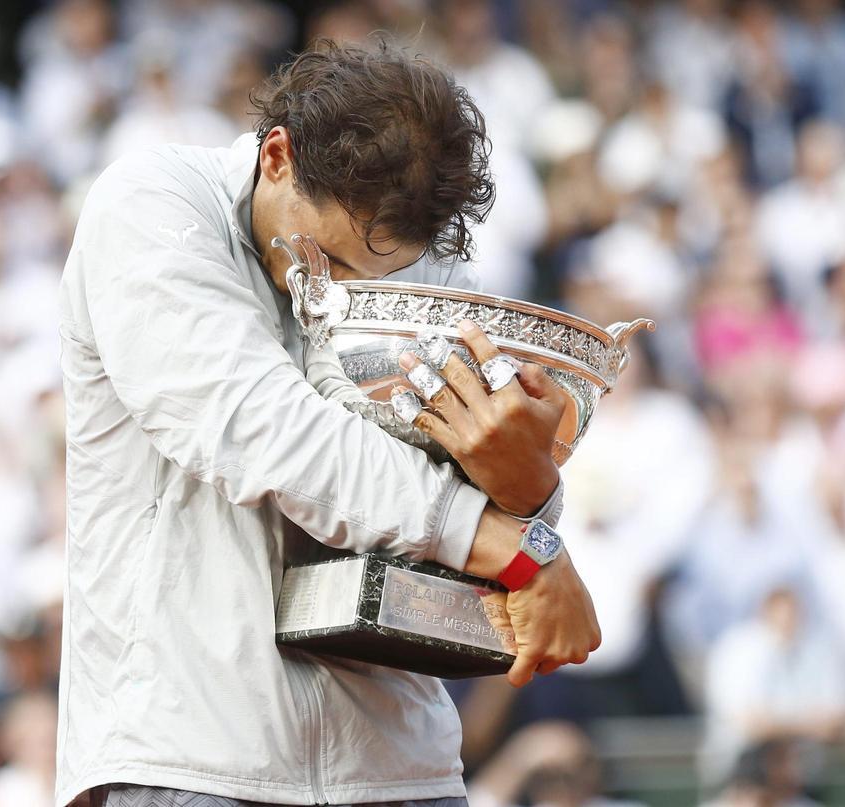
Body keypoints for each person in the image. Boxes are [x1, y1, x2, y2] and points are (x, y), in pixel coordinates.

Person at [55, 40, 600, 807]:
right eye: (330, 257)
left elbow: (487, 501)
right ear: (277, 155)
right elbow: (265, 429)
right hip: (196, 761)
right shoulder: (151, 203)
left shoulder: (423, 256)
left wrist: (534, 502)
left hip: (404, 762)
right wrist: (523, 548)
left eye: (374, 273)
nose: (340, 289)